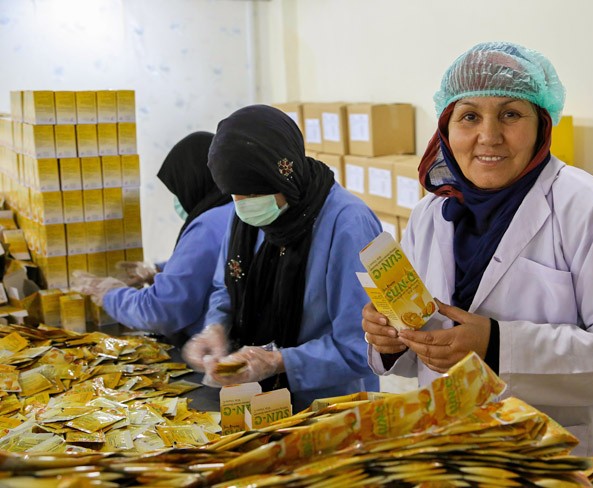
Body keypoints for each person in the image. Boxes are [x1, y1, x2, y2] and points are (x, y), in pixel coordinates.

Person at [361, 41, 593, 474]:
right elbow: (428, 335)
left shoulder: (590, 209)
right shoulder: (430, 214)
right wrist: (390, 341)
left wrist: (499, 346)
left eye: (510, 114)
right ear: (446, 128)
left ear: (541, 124)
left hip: (560, 460)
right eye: (469, 116)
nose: (488, 136)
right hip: (450, 454)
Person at [182, 104, 381, 412]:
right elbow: (226, 288)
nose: (246, 204)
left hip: (329, 408)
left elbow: (362, 347)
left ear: (284, 174)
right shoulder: (245, 219)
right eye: (237, 194)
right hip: (256, 400)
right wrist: (216, 328)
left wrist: (279, 361)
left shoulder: (348, 224)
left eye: (255, 193)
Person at [72, 131, 233, 344]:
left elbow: (161, 311)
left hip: (213, 350)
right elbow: (209, 266)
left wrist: (110, 294)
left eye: (177, 190)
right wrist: (161, 270)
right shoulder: (232, 211)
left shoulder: (207, 226)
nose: (177, 200)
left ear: (192, 180)